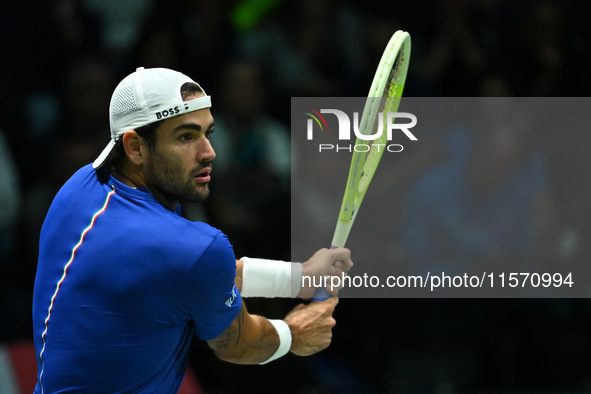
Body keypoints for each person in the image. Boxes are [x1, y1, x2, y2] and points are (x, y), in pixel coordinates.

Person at [32, 67, 353, 393]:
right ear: (135, 147)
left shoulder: (77, 190)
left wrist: (299, 277)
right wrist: (296, 333)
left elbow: (192, 274)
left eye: (207, 133)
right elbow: (238, 344)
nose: (209, 153)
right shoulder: (190, 248)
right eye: (185, 137)